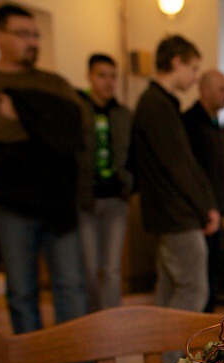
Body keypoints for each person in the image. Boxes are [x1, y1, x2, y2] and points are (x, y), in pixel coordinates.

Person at [0, 3, 94, 363]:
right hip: (10, 198)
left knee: (71, 285)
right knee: (21, 287)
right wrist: (45, 125)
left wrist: (20, 114)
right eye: (23, 33)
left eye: (35, 34)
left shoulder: (53, 81)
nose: (32, 41)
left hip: (59, 198)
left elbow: (77, 126)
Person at [129, 35, 219, 363]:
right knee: (193, 289)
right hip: (176, 213)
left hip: (170, 212)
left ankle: (161, 362)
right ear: (176, 62)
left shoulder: (157, 102)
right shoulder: (156, 104)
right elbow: (179, 165)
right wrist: (204, 207)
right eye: (193, 68)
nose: (195, 77)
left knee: (169, 291)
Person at [76, 53, 132, 312]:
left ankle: (112, 318)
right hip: (86, 200)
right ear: (90, 76)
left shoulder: (122, 114)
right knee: (88, 266)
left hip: (116, 198)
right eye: (102, 75)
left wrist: (128, 182)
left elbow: (130, 154)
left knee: (111, 267)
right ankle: (93, 317)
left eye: (112, 76)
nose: (108, 82)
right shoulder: (79, 110)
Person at [182, 69, 224, 311]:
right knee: (199, 278)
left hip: (215, 210)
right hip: (201, 213)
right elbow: (194, 172)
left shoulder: (215, 123)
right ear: (205, 92)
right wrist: (206, 208)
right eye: (222, 89)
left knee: (213, 271)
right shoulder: (191, 123)